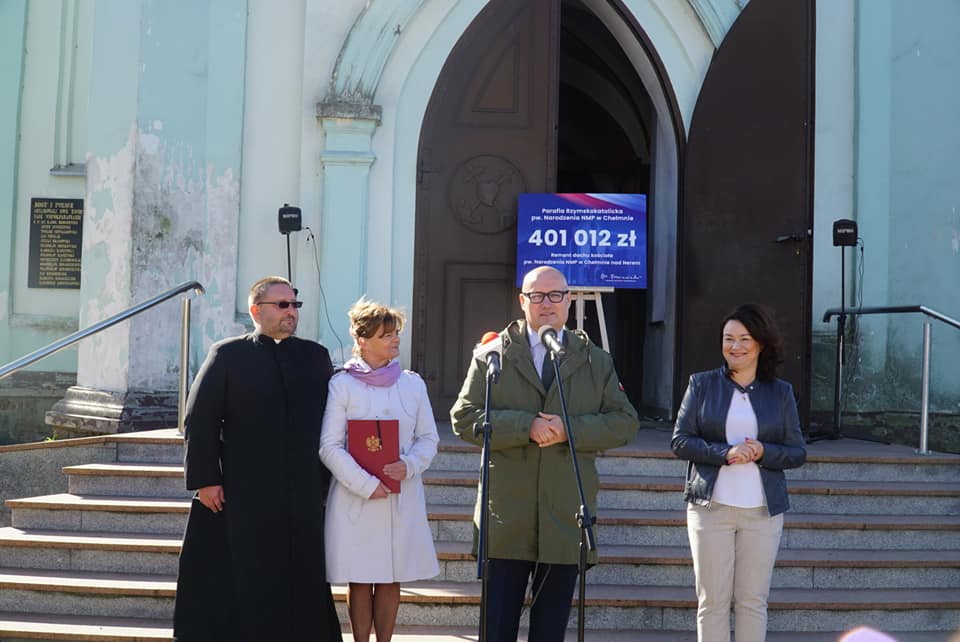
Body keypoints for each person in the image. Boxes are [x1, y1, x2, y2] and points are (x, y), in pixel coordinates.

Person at [450, 265, 640, 642]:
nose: (547, 303)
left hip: (565, 510)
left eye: (556, 295)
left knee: (550, 630)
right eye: (537, 295)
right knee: (497, 628)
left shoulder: (594, 359)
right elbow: (464, 417)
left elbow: (625, 422)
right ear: (523, 301)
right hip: (507, 514)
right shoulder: (493, 355)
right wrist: (526, 427)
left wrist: (569, 430)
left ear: (569, 301)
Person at [173, 276, 343, 642]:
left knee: (301, 573)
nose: (291, 312)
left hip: (302, 492)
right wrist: (205, 479)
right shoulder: (228, 354)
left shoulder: (315, 357)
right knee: (244, 573)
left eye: (295, 304)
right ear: (256, 310)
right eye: (282, 305)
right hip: (243, 491)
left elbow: (336, 419)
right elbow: (199, 419)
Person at [671, 303, 807, 642]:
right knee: (712, 602)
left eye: (745, 339)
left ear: (761, 343)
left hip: (762, 512)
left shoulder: (781, 392)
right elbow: (680, 441)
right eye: (728, 338)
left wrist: (763, 451)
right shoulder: (701, 385)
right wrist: (725, 453)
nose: (736, 346)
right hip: (710, 509)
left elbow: (797, 452)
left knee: (752, 602)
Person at [320, 298, 440, 642]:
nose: (395, 341)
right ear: (362, 340)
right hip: (356, 496)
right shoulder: (342, 384)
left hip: (400, 494)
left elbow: (428, 438)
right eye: (386, 335)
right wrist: (365, 483)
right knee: (359, 576)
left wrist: (410, 464)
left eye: (396, 334)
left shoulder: (412, 384)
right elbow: (329, 445)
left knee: (391, 574)